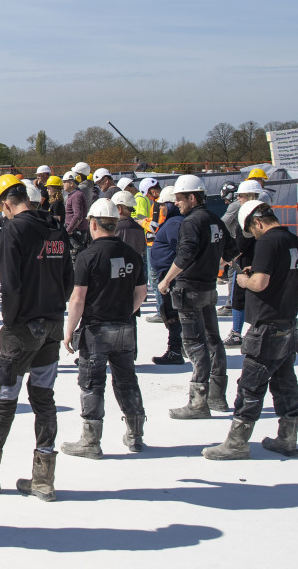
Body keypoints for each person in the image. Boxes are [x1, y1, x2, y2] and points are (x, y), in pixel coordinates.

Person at [0, 175, 72, 503]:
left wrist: (12, 323)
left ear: (5, 203)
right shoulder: (55, 228)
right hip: (52, 323)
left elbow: (12, 285)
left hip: (23, 328)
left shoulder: (14, 230)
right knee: (43, 396)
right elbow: (68, 279)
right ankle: (43, 480)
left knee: (4, 396)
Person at [203, 201, 298, 460]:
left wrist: (243, 279)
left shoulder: (267, 243)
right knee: (285, 384)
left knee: (250, 387)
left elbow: (259, 284)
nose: (254, 235)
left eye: (253, 230)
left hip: (266, 327)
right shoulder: (297, 242)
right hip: (288, 325)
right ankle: (287, 438)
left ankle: (237, 443)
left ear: (257, 222)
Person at [60, 199, 147, 459]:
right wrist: (123, 312)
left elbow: (77, 299)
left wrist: (68, 332)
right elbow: (141, 292)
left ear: (93, 224)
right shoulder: (132, 254)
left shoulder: (88, 256)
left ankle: (90, 441)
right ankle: (135, 435)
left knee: (92, 384)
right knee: (128, 381)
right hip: (125, 327)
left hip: (96, 330)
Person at [157, 173, 236, 417]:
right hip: (209, 288)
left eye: (180, 199)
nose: (177, 203)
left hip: (189, 288)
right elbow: (232, 250)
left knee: (194, 343)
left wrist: (167, 280)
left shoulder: (191, 223)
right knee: (214, 340)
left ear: (192, 197)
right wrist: (212, 261)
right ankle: (218, 397)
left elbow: (185, 255)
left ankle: (198, 403)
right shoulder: (214, 220)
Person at [220, 179, 266, 346]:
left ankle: (237, 332)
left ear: (249, 196)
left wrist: (224, 260)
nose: (238, 198)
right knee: (256, 297)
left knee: (238, 297)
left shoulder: (247, 216)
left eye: (241, 196)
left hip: (246, 262)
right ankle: (255, 330)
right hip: (259, 260)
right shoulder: (266, 212)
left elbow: (241, 244)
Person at [148, 188, 185, 365]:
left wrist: (168, 279)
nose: (160, 209)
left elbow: (181, 252)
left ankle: (175, 350)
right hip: (169, 274)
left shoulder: (174, 224)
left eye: (163, 205)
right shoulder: (173, 221)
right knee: (172, 313)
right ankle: (180, 346)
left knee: (172, 313)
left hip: (171, 276)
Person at [62, 171, 89, 257]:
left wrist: (68, 230)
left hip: (76, 233)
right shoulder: (75, 194)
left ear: (71, 183)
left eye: (64, 182)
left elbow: (78, 216)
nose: (63, 184)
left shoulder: (76, 196)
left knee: (76, 257)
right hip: (76, 231)